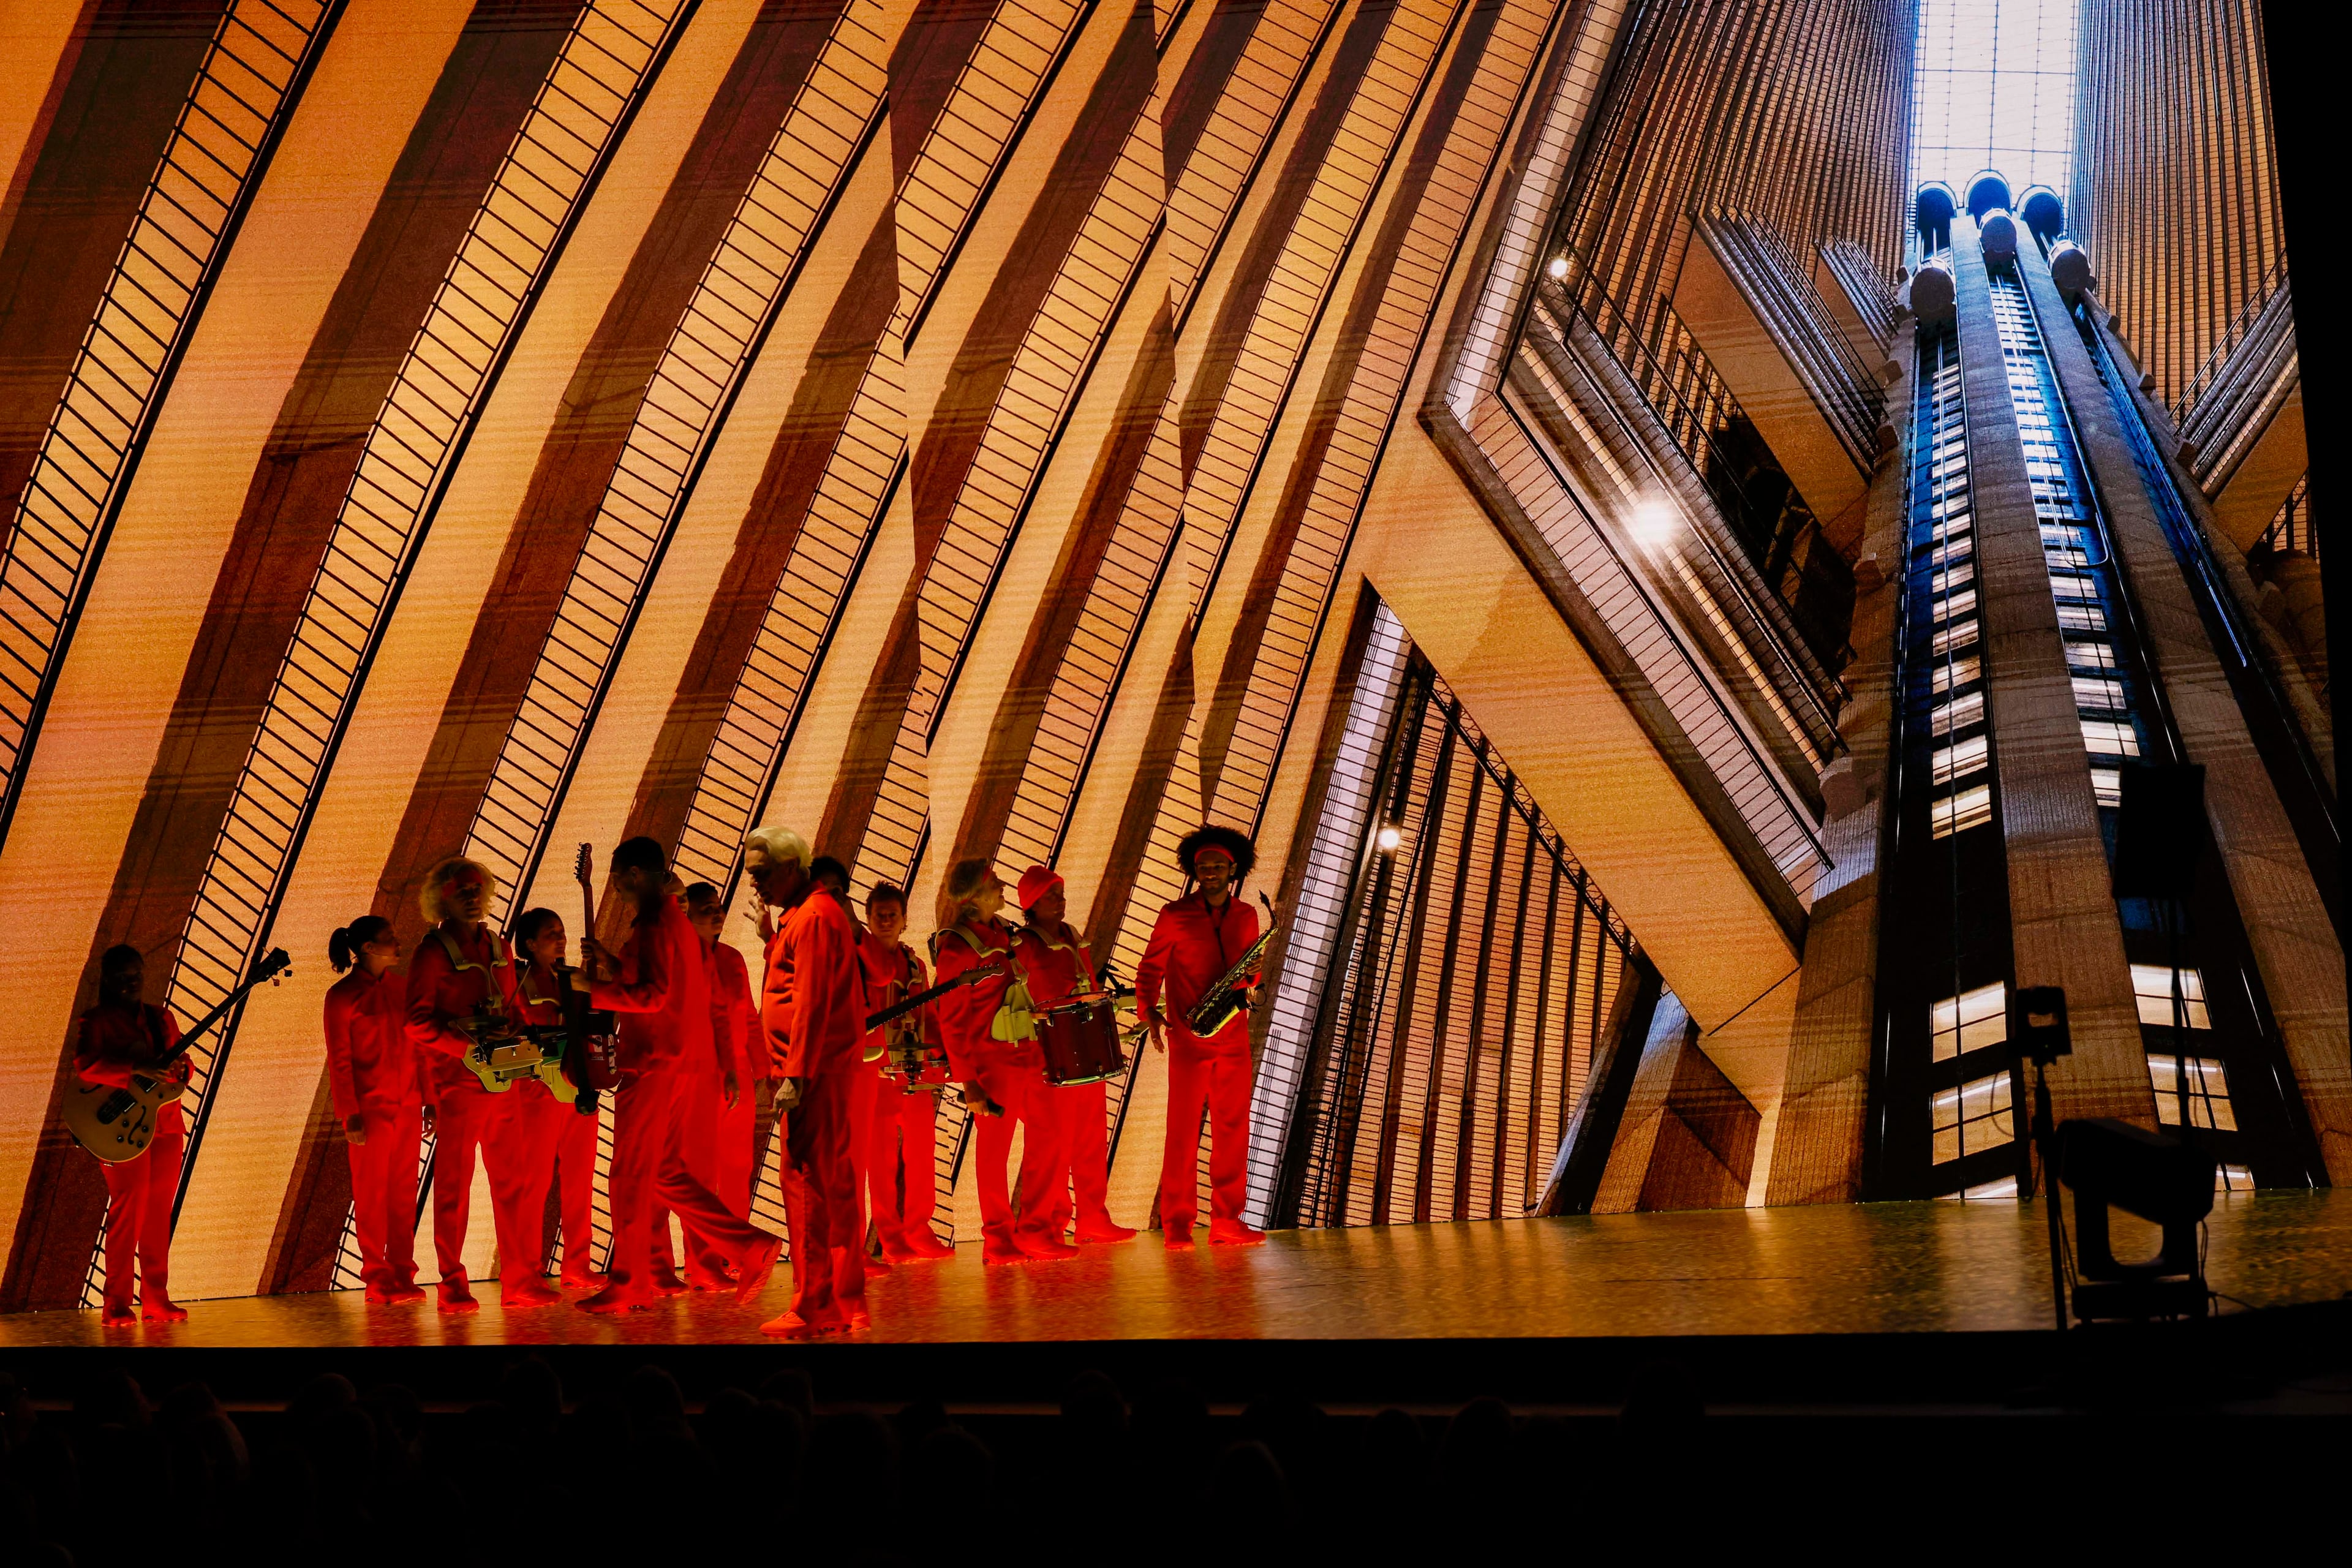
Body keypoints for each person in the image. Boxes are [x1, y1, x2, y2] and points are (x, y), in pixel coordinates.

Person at [580, 838, 782, 1315]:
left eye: (616, 879)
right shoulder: (674, 923)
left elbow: (649, 997)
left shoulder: (656, 923)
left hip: (651, 1062)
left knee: (630, 1174)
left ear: (631, 875)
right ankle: (749, 1248)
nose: (615, 888)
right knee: (664, 1173)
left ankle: (631, 1282)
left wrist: (589, 991)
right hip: (676, 1062)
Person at [405, 857, 556, 1311]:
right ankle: (452, 1281)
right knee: (454, 1185)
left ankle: (520, 1280)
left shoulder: (499, 946)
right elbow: (416, 1022)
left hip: (503, 1079)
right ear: (442, 899)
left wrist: (524, 1034)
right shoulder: (431, 952)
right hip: (459, 1084)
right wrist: (464, 1049)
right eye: (460, 889)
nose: (472, 895)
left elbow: (513, 1009)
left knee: (513, 1182)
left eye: (477, 888)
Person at [750, 827, 867, 1335]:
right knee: (821, 1184)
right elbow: (796, 983)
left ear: (794, 866)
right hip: (813, 1071)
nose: (756, 884)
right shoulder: (803, 917)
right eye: (751, 875)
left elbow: (813, 1001)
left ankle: (816, 1304)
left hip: (812, 1073)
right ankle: (836, 1302)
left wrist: (795, 1074)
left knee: (807, 1185)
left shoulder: (814, 916)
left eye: (762, 873)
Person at [932, 859, 1074, 1264]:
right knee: (994, 1153)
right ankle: (997, 1239)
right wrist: (969, 1083)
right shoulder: (957, 948)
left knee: (1051, 1136)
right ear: (974, 897)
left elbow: (1006, 997)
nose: (1003, 886)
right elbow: (950, 1020)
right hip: (992, 1064)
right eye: (995, 883)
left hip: (1028, 1055)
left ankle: (1035, 1230)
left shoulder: (1002, 935)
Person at [1137, 826, 1267, 1248]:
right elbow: (1149, 969)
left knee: (1234, 1130)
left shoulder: (1248, 916)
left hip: (1233, 1038)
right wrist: (1149, 1012)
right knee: (1182, 1132)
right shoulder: (1174, 915)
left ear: (1233, 869)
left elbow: (1250, 977)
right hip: (1189, 1038)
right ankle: (1177, 1223)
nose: (1209, 872)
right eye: (1202, 867)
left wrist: (1254, 975)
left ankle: (1228, 1220)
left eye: (1217, 866)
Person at [1011, 865, 1136, 1244]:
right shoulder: (1023, 946)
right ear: (1031, 903)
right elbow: (1014, 999)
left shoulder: (1073, 936)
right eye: (1051, 894)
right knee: (1050, 1147)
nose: (1060, 899)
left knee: (1090, 1141)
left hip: (1087, 1055)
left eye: (1061, 892)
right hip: (1049, 1060)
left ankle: (1093, 1218)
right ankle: (1041, 1226)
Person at [75, 944, 189, 1326]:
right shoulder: (98, 1021)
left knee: (158, 1214)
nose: (132, 983)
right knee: (128, 1208)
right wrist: (134, 1068)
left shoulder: (161, 1018)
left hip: (166, 1124)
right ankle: (116, 1304)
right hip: (120, 1130)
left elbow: (184, 1064)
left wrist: (179, 1070)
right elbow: (86, 1065)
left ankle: (156, 1297)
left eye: (136, 975)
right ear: (107, 980)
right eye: (124, 977)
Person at [323, 917, 423, 1304]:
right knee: (371, 1194)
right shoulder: (343, 996)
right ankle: (376, 1274)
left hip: (409, 1105)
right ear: (367, 948)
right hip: (371, 1109)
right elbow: (340, 1059)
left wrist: (427, 1098)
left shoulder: (402, 989)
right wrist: (350, 1113)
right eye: (389, 938)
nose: (397, 943)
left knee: (402, 1193)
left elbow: (419, 1047)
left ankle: (403, 1270)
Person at [861, 882, 954, 1261]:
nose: (885, 920)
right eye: (878, 914)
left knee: (922, 1153)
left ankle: (919, 1228)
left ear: (904, 920)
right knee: (880, 1159)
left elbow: (930, 1014)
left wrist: (941, 1056)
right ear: (867, 920)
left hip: (915, 1070)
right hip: (875, 1074)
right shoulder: (856, 962)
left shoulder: (915, 964)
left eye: (892, 914)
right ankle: (891, 1236)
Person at [513, 908, 603, 1289]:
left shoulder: (571, 977)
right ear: (530, 944)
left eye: (561, 931)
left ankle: (577, 1265)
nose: (560, 938)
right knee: (533, 1182)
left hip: (578, 1084)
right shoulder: (517, 981)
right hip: (538, 1092)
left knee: (581, 1180)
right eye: (551, 933)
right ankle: (527, 1269)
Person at [687, 882, 762, 1222]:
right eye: (706, 908)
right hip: (698, 1076)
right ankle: (703, 1255)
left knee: (738, 1164)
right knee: (701, 1168)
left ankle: (737, 1250)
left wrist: (765, 1072)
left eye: (718, 906)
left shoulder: (732, 957)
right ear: (686, 917)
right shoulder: (680, 960)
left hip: (740, 1073)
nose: (717, 912)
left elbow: (749, 1016)